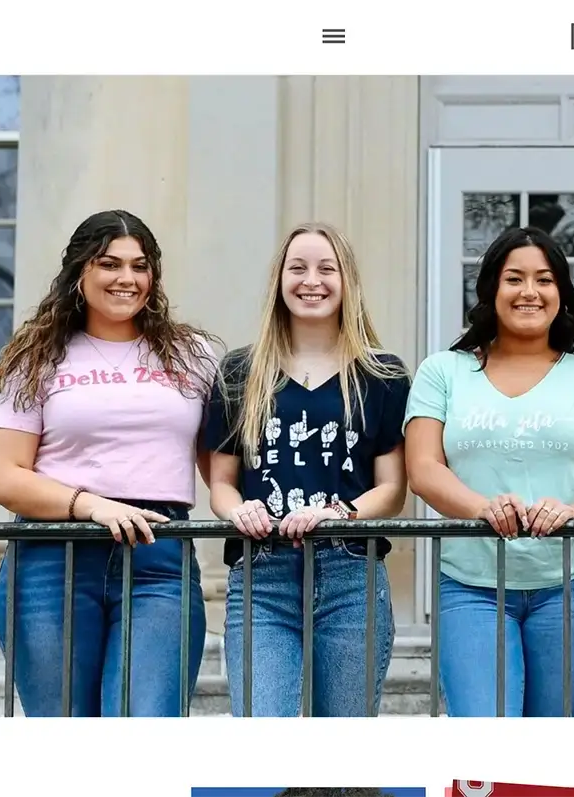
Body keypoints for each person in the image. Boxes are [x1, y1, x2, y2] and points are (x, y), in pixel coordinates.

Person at [0, 209, 218, 716]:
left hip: (159, 558)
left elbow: (220, 466)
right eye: (109, 264)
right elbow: (3, 477)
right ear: (80, 272)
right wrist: (92, 505)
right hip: (52, 560)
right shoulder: (36, 356)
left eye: (140, 266)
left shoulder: (191, 354)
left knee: (144, 726)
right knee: (66, 738)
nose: (126, 279)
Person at [405, 226, 574, 717]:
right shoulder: (442, 371)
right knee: (486, 737)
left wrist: (571, 511)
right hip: (471, 585)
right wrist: (481, 507)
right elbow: (423, 468)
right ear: (491, 289)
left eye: (544, 279)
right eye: (515, 278)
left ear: (561, 294)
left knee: (548, 748)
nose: (530, 292)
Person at [204, 222, 411, 717]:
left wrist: (337, 512)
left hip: (350, 574)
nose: (310, 280)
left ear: (347, 282)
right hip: (262, 574)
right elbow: (221, 484)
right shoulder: (241, 372)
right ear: (279, 280)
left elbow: (392, 489)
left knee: (342, 755)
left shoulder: (382, 375)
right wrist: (241, 511)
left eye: (326, 268)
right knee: (263, 739)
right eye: (297, 268)